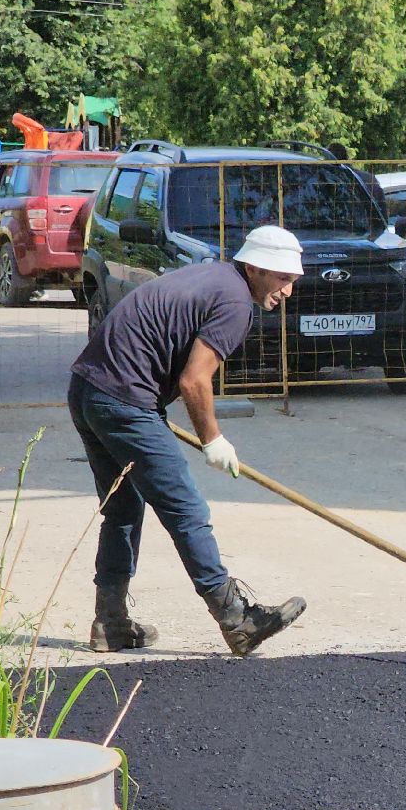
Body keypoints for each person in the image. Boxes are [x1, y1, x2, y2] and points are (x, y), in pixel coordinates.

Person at [67, 224, 306, 656]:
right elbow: (194, 380)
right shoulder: (236, 302)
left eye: (293, 280)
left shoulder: (214, 276)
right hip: (123, 399)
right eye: (283, 278)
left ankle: (111, 623)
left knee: (122, 509)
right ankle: (237, 620)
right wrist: (213, 439)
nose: (288, 290)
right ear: (254, 267)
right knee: (185, 508)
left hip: (89, 389)